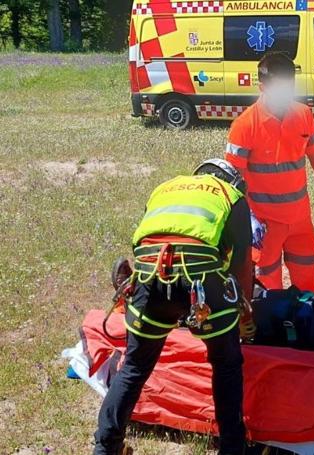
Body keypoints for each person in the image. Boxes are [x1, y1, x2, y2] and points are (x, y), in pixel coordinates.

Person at [93, 159, 253, 455]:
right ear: (235, 182)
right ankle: (233, 449)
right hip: (201, 280)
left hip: (150, 275)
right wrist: (242, 308)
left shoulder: (164, 189)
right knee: (226, 365)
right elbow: (243, 262)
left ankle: (106, 447)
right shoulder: (232, 197)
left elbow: (148, 241)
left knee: (135, 366)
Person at [225, 52, 314, 293]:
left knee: (308, 283)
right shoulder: (244, 125)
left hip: (300, 220)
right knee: (267, 288)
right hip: (264, 225)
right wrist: (246, 216)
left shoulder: (302, 114)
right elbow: (233, 178)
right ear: (262, 87)